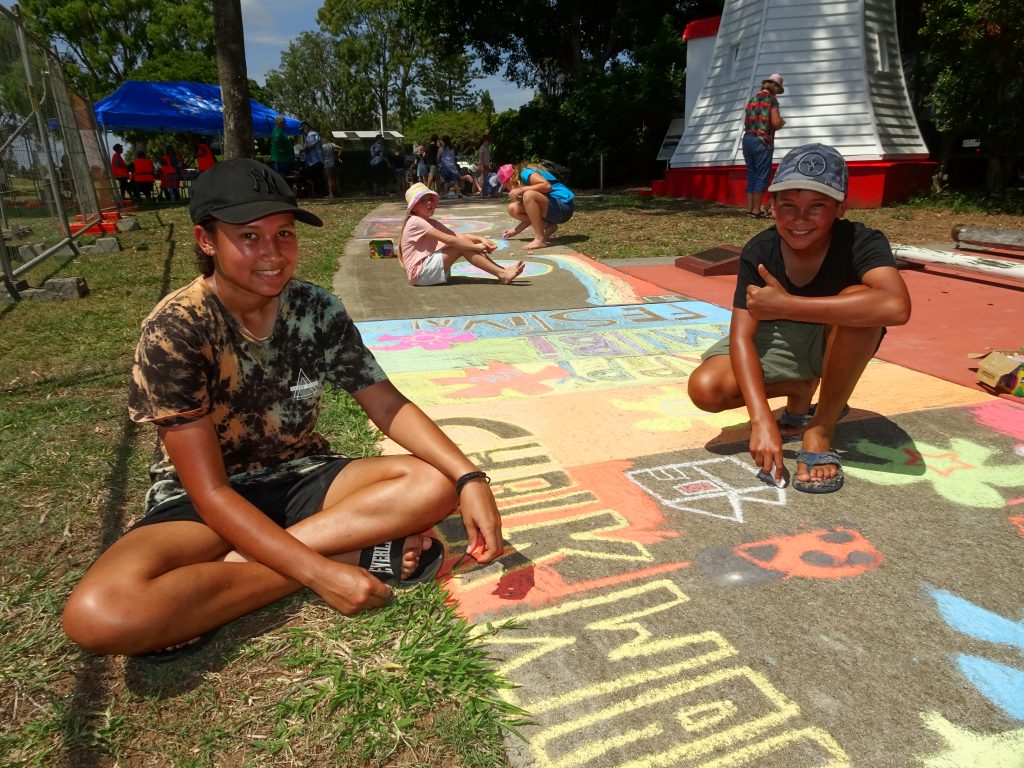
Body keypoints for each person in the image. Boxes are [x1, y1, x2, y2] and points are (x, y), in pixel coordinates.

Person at [60, 159, 504, 661]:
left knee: (435, 483)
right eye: (249, 236)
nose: (272, 254)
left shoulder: (316, 309)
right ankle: (339, 553)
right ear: (206, 241)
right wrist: (321, 572)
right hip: (204, 502)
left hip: (302, 478)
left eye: (284, 234)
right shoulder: (177, 329)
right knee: (99, 615)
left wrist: (470, 478)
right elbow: (209, 490)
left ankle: (234, 576)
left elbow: (385, 402)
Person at [687, 144, 911, 494]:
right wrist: (761, 419)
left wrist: (788, 305)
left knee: (861, 304)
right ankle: (800, 386)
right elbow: (742, 337)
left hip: (835, 338)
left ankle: (821, 428)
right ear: (771, 205)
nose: (800, 218)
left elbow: (896, 307)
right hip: (778, 336)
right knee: (706, 389)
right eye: (788, 204)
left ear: (841, 208)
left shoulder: (861, 241)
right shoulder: (761, 250)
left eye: (817, 206)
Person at [399, 182, 524, 286]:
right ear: (414, 208)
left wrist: (480, 239)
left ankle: (502, 271)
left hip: (425, 271)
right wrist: (476, 247)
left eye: (430, 199)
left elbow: (456, 235)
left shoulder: (430, 222)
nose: (429, 203)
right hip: (420, 274)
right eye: (423, 201)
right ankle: (502, 274)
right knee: (461, 246)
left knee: (463, 242)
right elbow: (449, 240)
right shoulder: (415, 221)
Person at [501, 162, 575, 250]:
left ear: (510, 179)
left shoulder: (525, 172)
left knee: (529, 195)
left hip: (564, 208)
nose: (509, 190)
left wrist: (522, 189)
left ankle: (540, 239)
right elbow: (533, 213)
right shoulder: (525, 179)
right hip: (554, 208)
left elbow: (547, 186)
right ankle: (548, 226)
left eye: (507, 186)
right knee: (512, 208)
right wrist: (516, 230)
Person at [742, 73, 786, 218]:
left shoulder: (753, 99)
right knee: (761, 175)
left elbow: (746, 122)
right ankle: (756, 210)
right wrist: (781, 123)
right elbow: (774, 122)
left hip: (747, 138)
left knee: (751, 174)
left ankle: (749, 209)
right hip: (762, 141)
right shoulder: (771, 100)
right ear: (776, 88)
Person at [299, 122, 326, 197]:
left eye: (303, 129)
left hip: (316, 160)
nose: (303, 131)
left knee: (318, 178)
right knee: (314, 179)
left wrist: (302, 150)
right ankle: (316, 193)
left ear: (306, 127)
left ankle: (321, 194)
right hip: (312, 162)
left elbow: (309, 147)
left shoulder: (312, 134)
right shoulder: (308, 136)